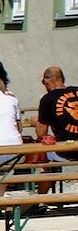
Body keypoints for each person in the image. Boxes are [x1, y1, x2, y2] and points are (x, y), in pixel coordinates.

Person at [34, 66, 78, 197]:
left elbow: (41, 133)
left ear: (47, 80)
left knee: (44, 160)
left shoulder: (47, 99)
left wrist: (36, 122)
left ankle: (40, 199)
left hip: (64, 151)